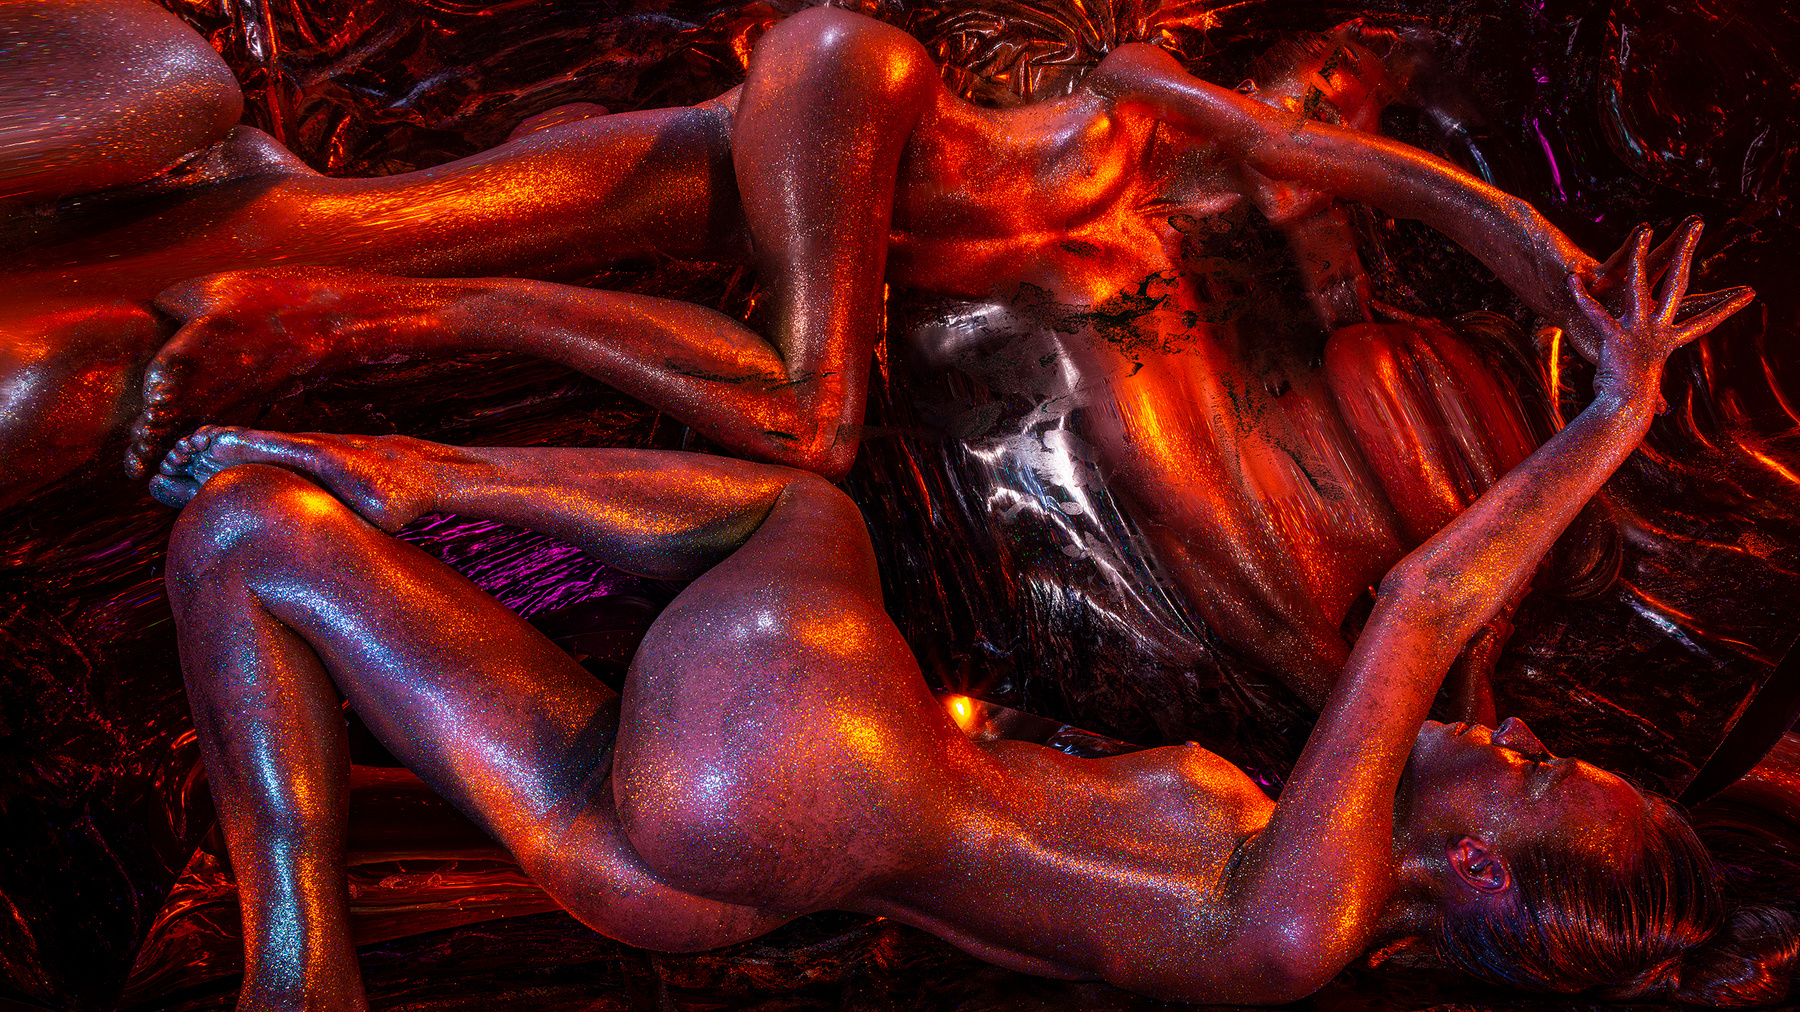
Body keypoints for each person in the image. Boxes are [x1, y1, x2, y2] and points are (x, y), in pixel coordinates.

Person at [152, 199, 1787, 1007]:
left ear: (1481, 865)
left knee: (806, 497)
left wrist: (1617, 413)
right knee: (240, 536)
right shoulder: (1294, 893)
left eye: (1539, 769)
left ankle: (424, 471)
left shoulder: (1308, 918)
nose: (1517, 733)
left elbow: (1426, 603)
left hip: (810, 761)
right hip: (715, 862)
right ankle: (300, 961)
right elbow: (1453, 645)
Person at [5, 1, 1660, 711]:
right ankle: (335, 297)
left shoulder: (1139, 117)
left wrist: (1577, 294)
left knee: (213, 266)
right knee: (807, 423)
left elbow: (1348, 168)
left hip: (618, 201)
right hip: (681, 174)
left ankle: (307, 274)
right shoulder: (860, 66)